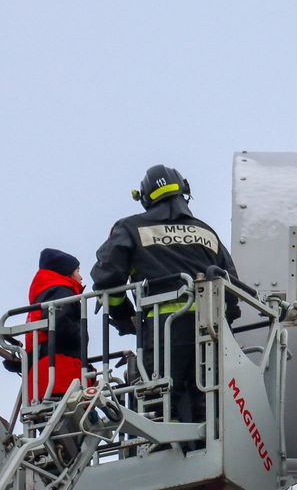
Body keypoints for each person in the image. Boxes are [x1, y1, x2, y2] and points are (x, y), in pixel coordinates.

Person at [91, 164, 239, 422]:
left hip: (163, 330)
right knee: (206, 398)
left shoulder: (130, 228)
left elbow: (108, 278)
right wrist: (226, 322)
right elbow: (232, 289)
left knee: (161, 399)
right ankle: (204, 444)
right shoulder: (206, 232)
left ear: (146, 196)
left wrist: (124, 316)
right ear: (184, 191)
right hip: (209, 331)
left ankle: (168, 448)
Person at [25, 248, 87, 402]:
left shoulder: (42, 297)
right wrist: (81, 335)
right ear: (67, 273)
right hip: (62, 378)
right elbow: (60, 326)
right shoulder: (62, 292)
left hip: (41, 382)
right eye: (78, 271)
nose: (81, 277)